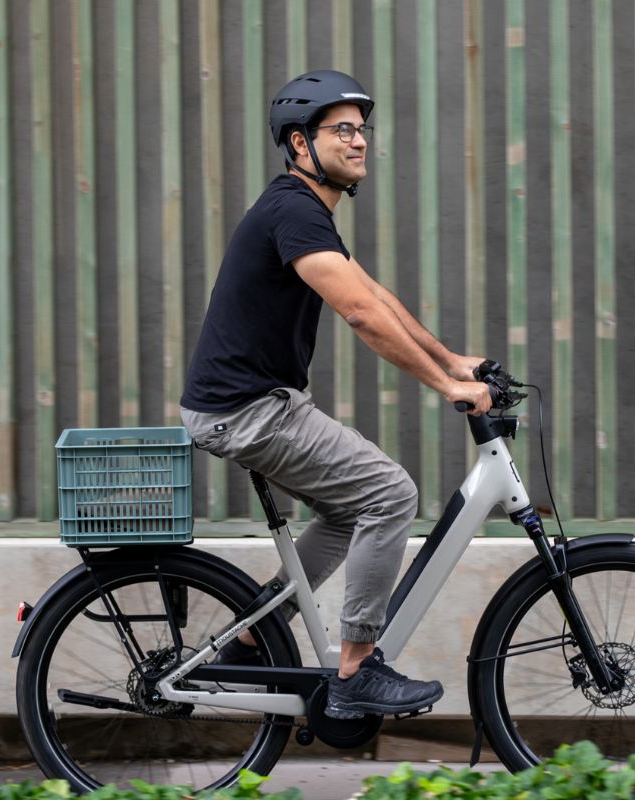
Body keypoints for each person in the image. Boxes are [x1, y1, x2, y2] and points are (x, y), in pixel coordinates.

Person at [179, 69, 492, 721]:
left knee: (351, 514)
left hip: (252, 404)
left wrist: (451, 359)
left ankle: (246, 644)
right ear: (299, 144)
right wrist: (447, 388)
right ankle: (356, 670)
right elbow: (359, 315)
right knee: (389, 493)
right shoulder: (293, 210)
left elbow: (376, 296)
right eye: (341, 129)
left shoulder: (303, 214)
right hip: (248, 411)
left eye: (361, 129)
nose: (359, 142)